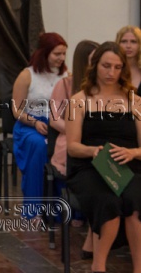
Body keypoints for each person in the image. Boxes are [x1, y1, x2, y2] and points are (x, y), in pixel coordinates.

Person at [67, 41, 141, 273]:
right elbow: (72, 147)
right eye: (106, 66)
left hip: (130, 165)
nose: (111, 72)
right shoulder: (78, 100)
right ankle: (98, 266)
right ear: (95, 65)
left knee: (135, 203)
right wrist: (93, 150)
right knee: (108, 202)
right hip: (90, 166)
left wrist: (132, 152)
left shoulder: (135, 101)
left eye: (118, 67)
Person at [49, 39, 98, 253]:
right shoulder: (65, 85)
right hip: (70, 140)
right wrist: (76, 130)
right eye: (94, 60)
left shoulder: (104, 88)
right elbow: (54, 118)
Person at [11, 32, 67, 217]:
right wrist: (34, 122)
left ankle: (62, 210)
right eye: (57, 54)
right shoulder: (27, 75)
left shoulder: (66, 76)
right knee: (39, 145)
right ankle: (33, 209)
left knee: (67, 147)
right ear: (44, 53)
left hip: (57, 123)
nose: (61, 58)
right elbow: (17, 110)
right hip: (30, 124)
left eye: (64, 54)